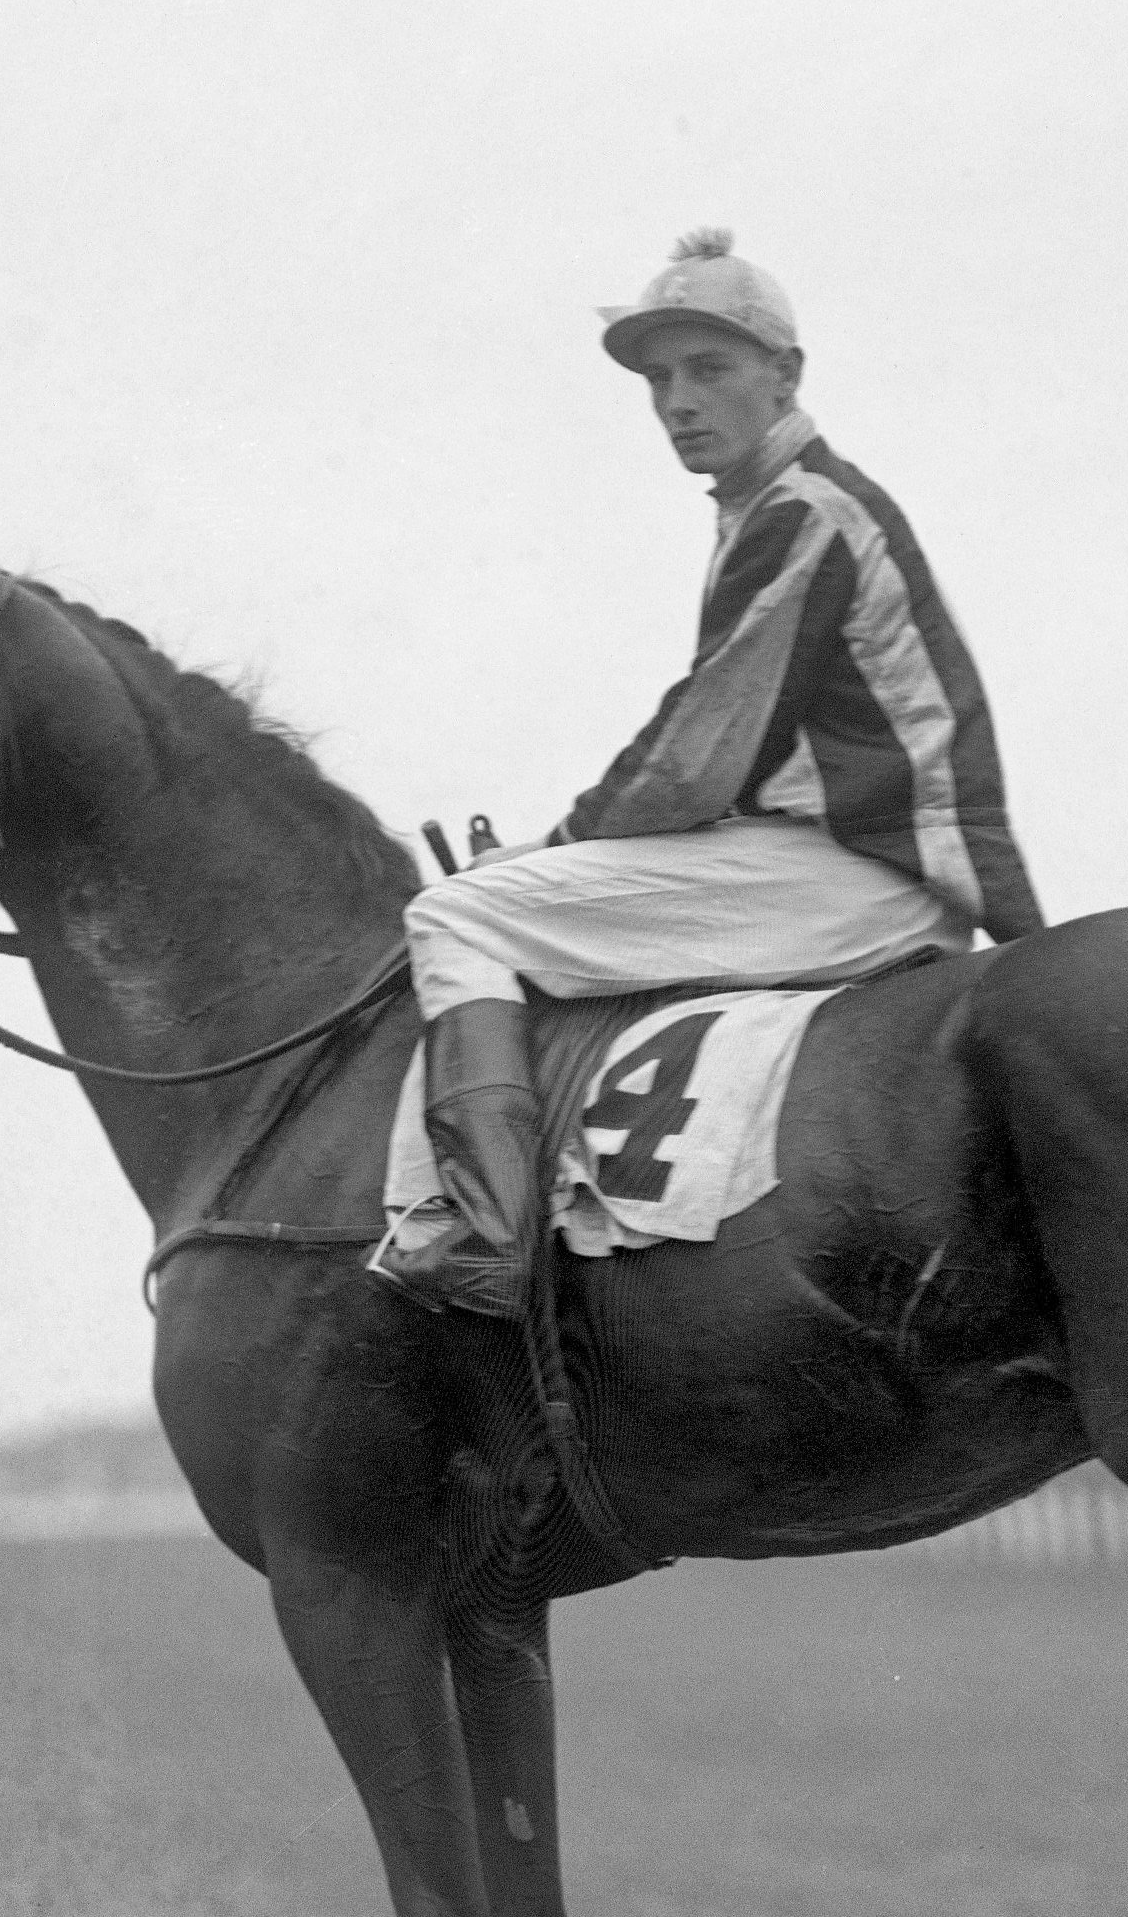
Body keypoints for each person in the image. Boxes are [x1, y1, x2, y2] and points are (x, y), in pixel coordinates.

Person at [373, 229, 1048, 1316]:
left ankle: (490, 1241)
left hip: (859, 875)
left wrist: (555, 846)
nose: (678, 401)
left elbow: (693, 755)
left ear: (786, 375)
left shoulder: (805, 513)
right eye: (658, 378)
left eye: (711, 369)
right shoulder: (777, 507)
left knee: (455, 915)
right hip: (842, 865)